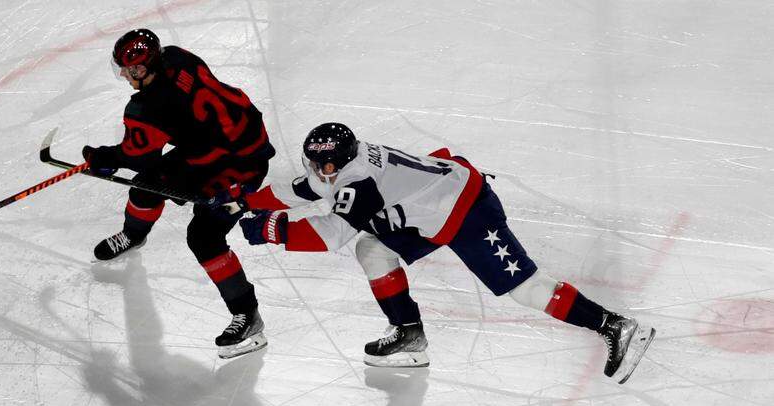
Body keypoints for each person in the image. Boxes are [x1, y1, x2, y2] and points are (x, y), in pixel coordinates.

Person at [231, 122, 655, 383]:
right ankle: (409, 335)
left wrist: (269, 229)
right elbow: (306, 188)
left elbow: (330, 234)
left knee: (525, 288)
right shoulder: (342, 163)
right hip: (429, 204)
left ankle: (614, 326)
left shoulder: (357, 181)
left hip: (464, 209)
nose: (319, 171)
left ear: (342, 161)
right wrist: (245, 201)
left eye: (326, 166)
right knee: (373, 248)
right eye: (315, 163)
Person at [80, 28, 275, 358]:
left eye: (135, 70)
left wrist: (103, 159)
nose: (128, 76)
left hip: (240, 164)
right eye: (124, 69)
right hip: (228, 141)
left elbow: (137, 154)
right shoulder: (176, 55)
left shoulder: (147, 107)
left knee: (204, 237)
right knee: (147, 184)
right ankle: (134, 235)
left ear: (151, 64)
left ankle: (248, 316)